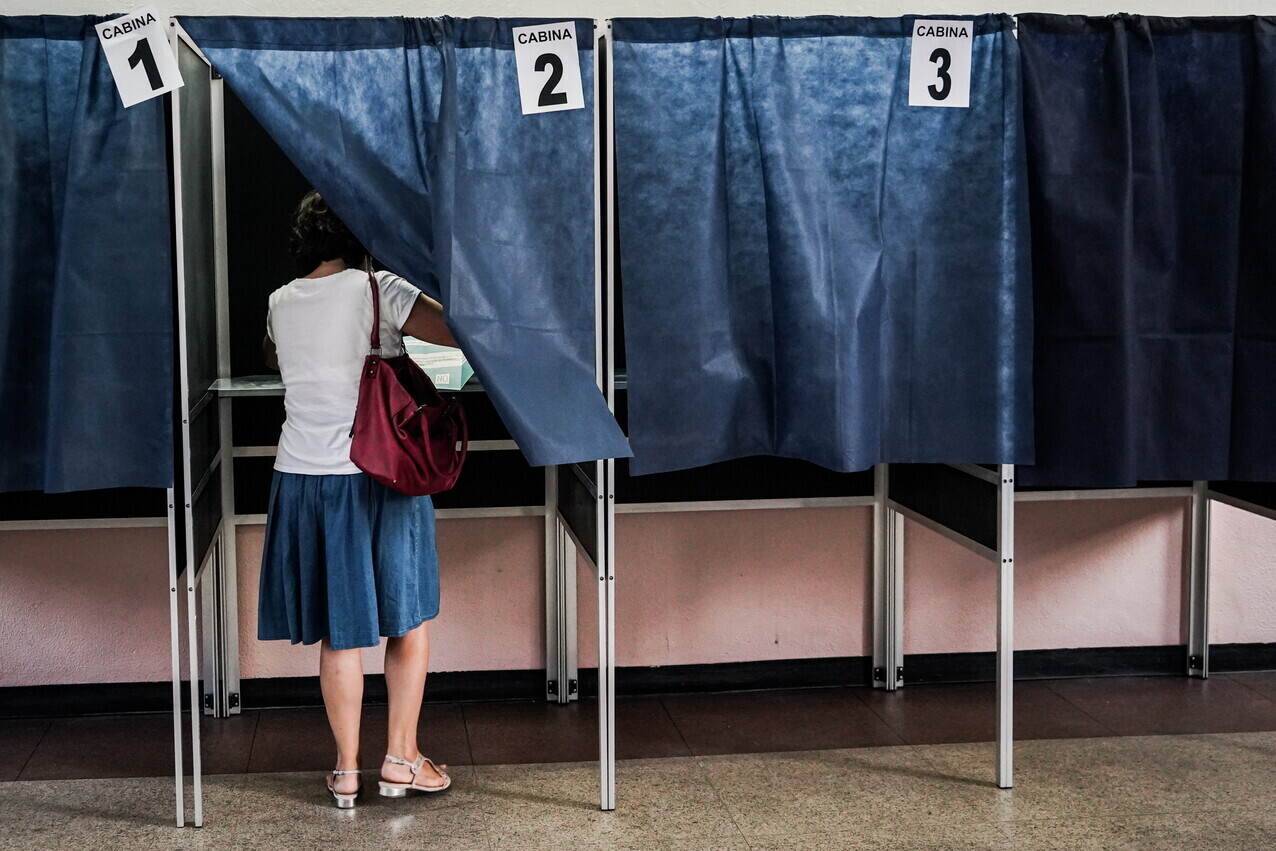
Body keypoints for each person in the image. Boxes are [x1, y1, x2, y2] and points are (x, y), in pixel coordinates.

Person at [258, 190, 458, 808]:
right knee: (407, 619)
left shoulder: (279, 302)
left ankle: (346, 772)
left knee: (340, 634)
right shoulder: (381, 291)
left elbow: (278, 361)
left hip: (303, 479)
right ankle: (401, 759)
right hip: (380, 474)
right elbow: (458, 332)